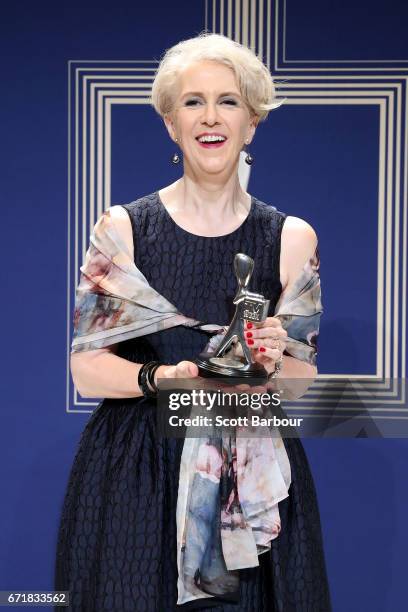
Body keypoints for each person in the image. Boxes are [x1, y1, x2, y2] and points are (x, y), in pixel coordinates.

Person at [55, 32, 332, 611]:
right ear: (170, 124)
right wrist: (164, 379)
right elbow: (87, 369)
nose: (211, 118)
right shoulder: (122, 230)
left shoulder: (292, 239)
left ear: (252, 122)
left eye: (228, 101)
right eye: (193, 102)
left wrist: (276, 361)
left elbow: (300, 384)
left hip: (249, 484)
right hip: (137, 474)